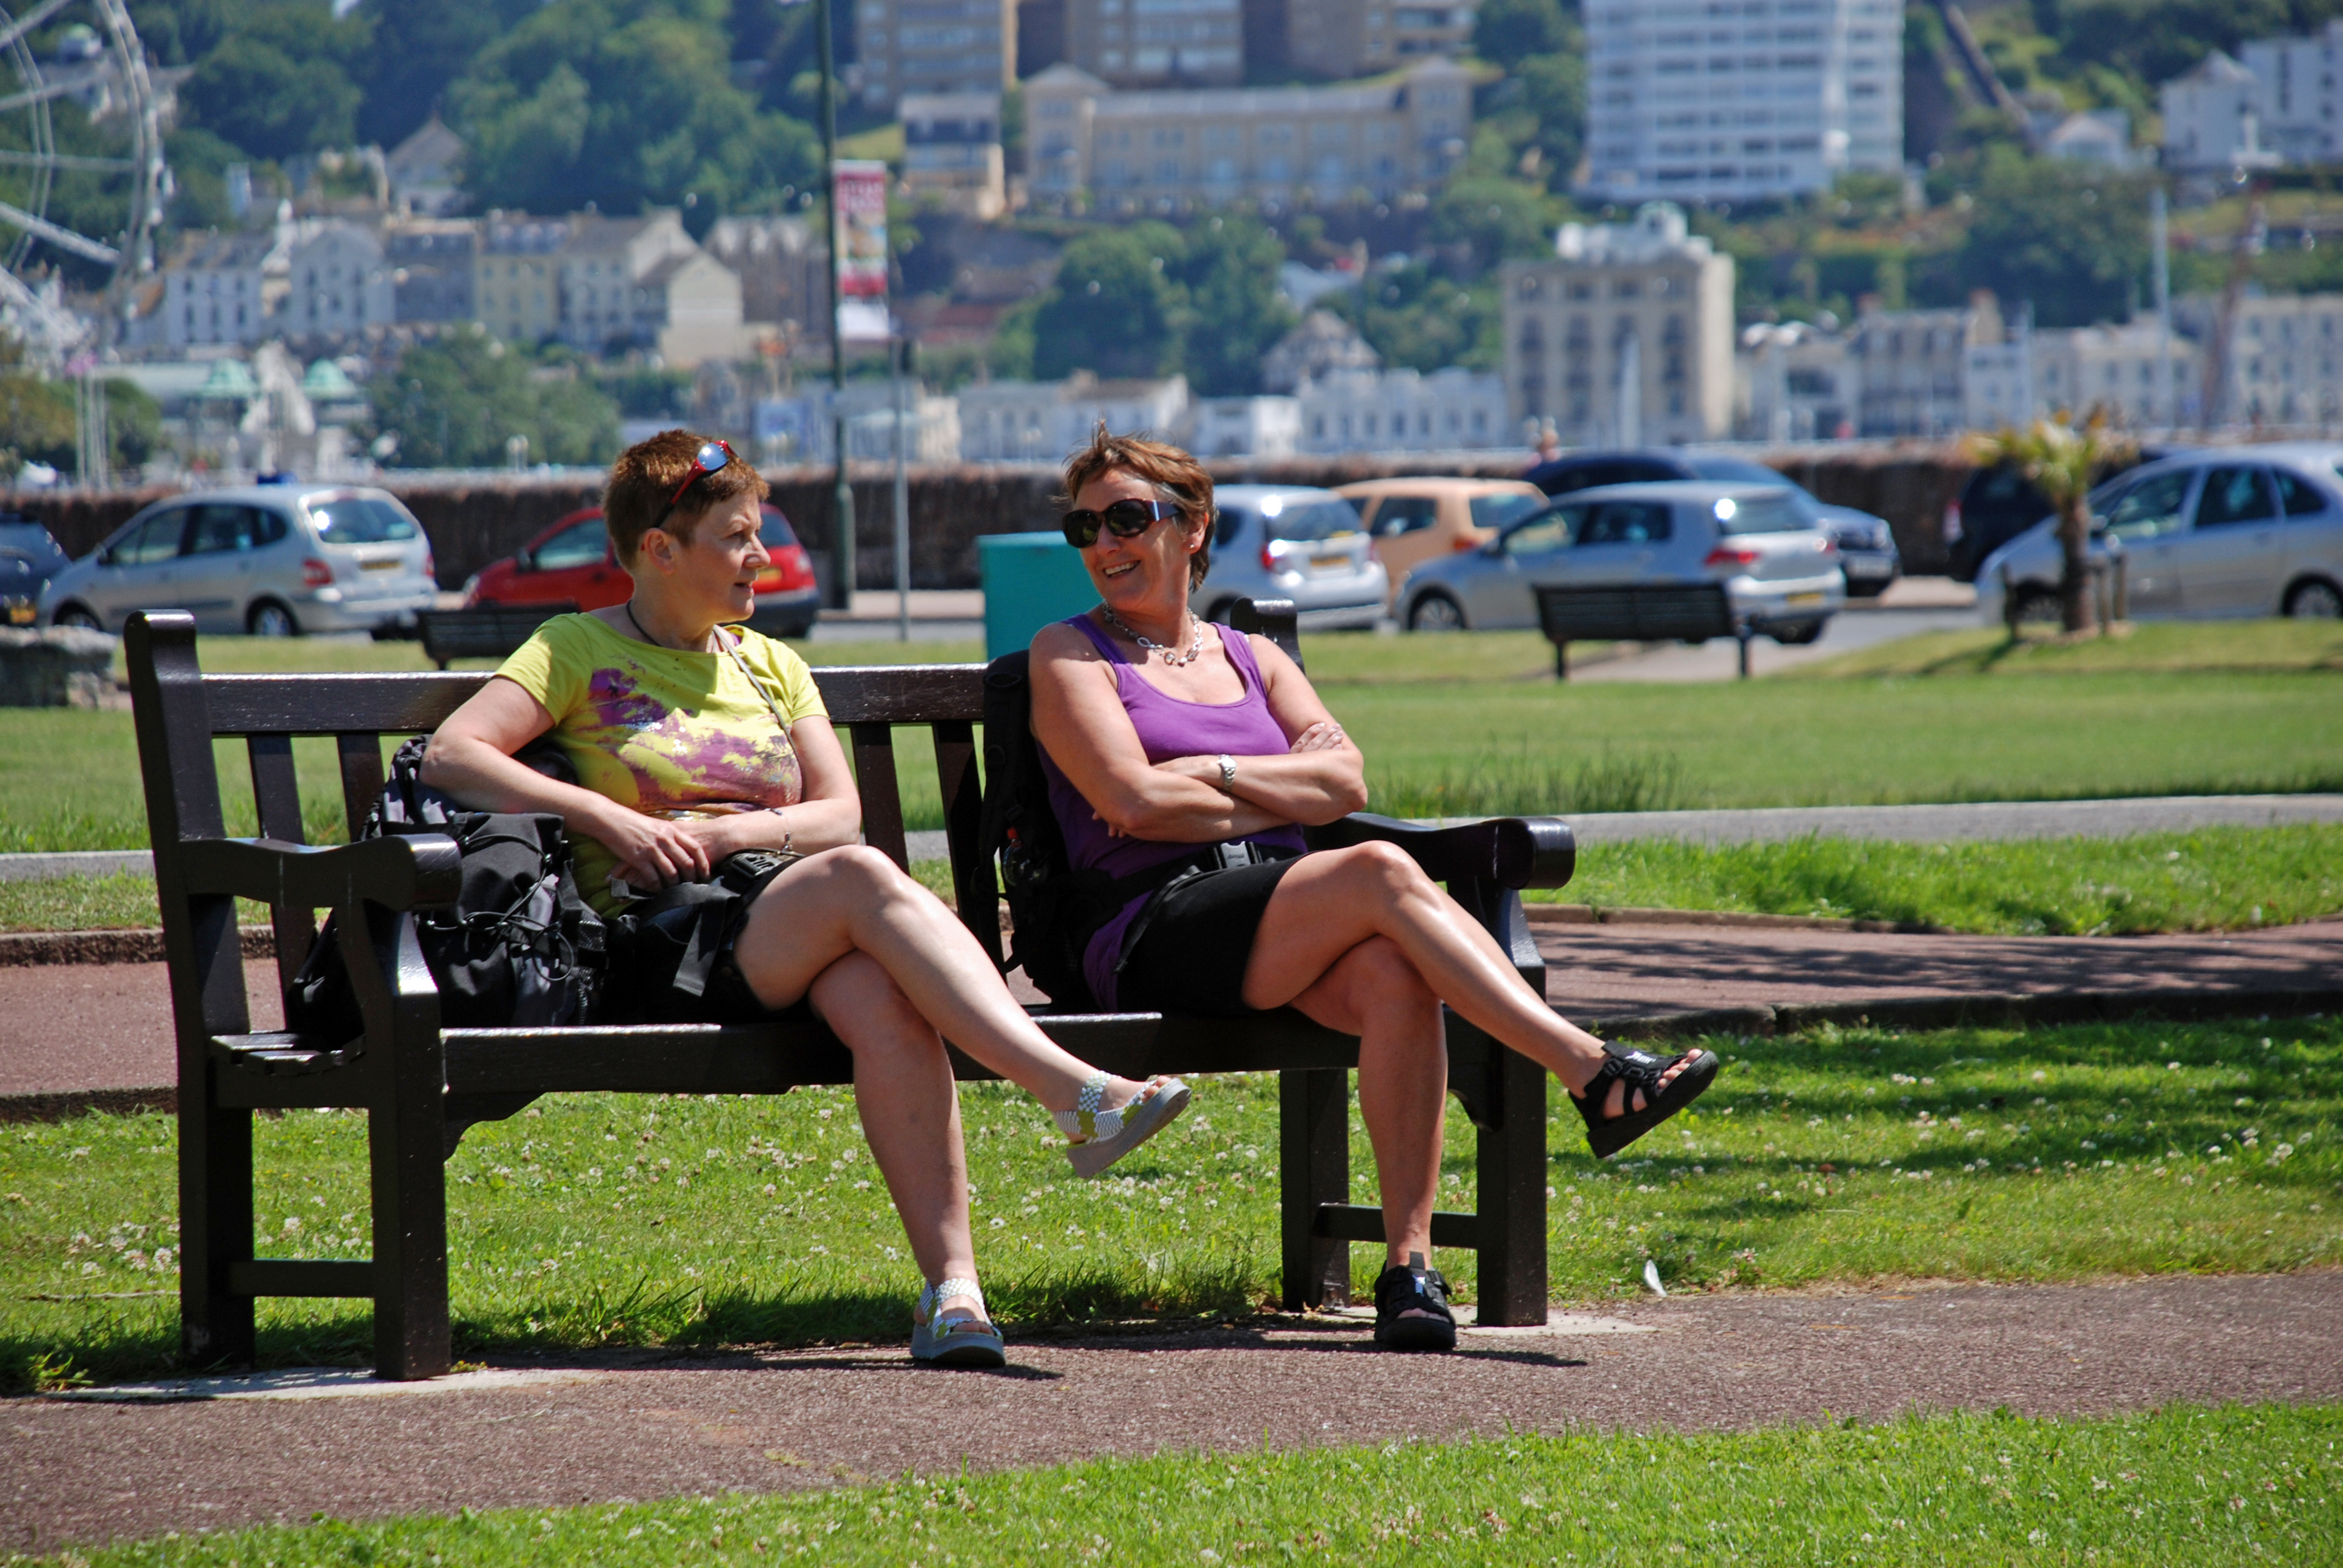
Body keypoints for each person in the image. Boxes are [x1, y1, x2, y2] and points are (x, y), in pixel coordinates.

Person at [421, 430, 1190, 1370]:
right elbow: (456, 753)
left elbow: (840, 811)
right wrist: (609, 819)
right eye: (738, 538)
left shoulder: (769, 664)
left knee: (881, 996)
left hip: (774, 916)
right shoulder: (575, 646)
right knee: (866, 878)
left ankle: (955, 1296)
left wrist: (728, 832)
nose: (761, 557)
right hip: (656, 944)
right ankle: (1069, 1090)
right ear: (660, 548)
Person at [1027, 428, 1716, 1353]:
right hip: (1152, 928)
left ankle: (1409, 1270)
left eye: (1126, 518)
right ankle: (1588, 1070)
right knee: (1384, 871)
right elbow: (1132, 802)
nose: (1105, 545)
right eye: (1086, 527)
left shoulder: (1251, 657)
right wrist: (1260, 785)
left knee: (1397, 973)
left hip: (1277, 909)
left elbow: (1345, 782)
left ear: (1193, 529)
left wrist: (1213, 775)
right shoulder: (1067, 655)